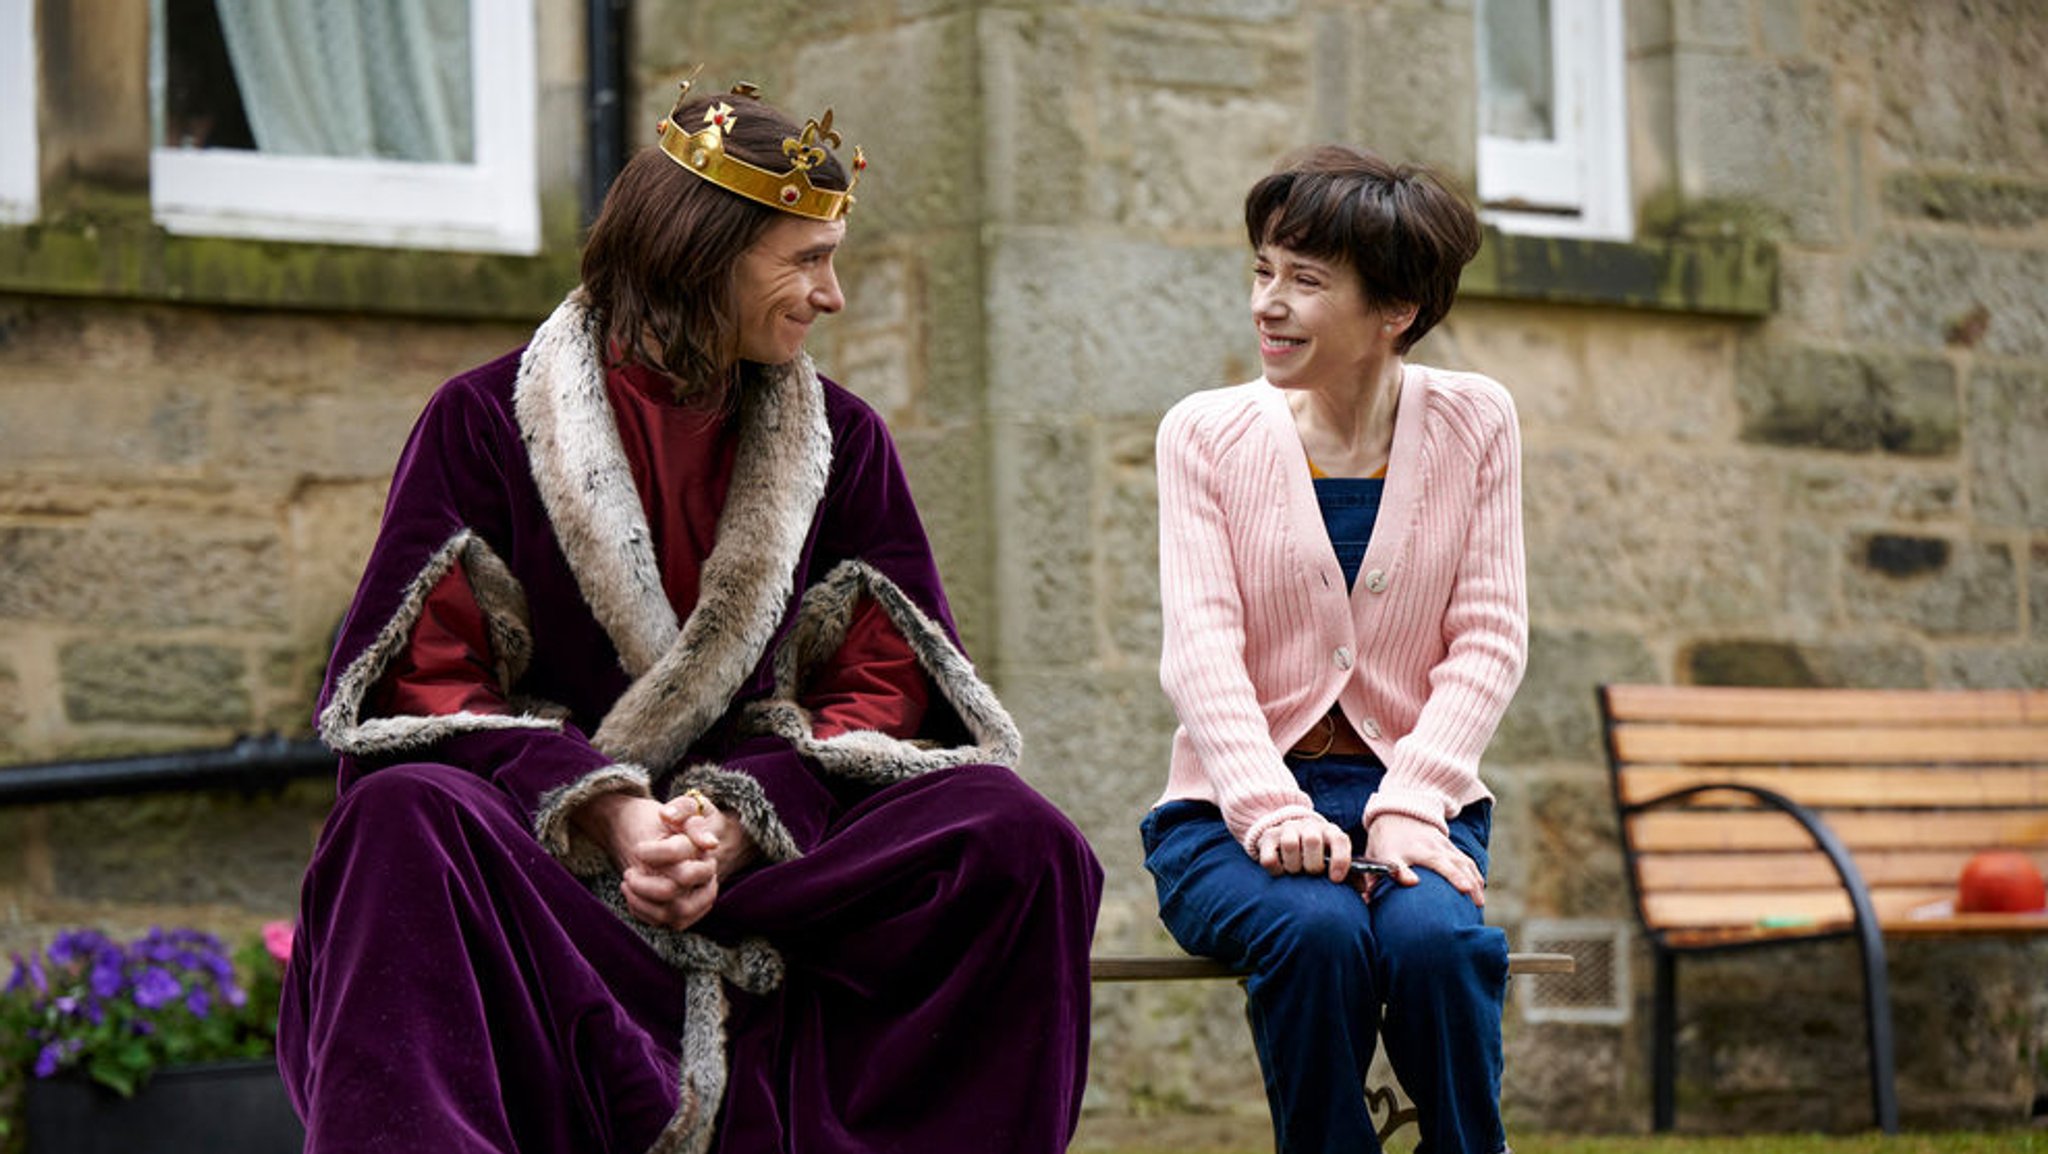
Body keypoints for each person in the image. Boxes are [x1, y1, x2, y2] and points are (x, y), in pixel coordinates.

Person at [279, 72, 1102, 1154]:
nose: (833, 294)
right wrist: (609, 812)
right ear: (703, 254)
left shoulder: (842, 442)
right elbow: (424, 687)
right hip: (551, 872)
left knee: (1015, 838)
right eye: (807, 260)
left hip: (771, 871)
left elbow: (882, 692)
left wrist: (733, 818)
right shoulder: (480, 423)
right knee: (401, 818)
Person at [1141, 145, 1526, 1154]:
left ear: (1392, 309)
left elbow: (1489, 635)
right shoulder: (1203, 435)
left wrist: (1408, 800)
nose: (1266, 303)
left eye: (1304, 281)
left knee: (1435, 945)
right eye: (1262, 271)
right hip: (1225, 817)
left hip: (1412, 801)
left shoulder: (1474, 421)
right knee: (1312, 932)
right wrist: (1267, 807)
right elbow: (1199, 651)